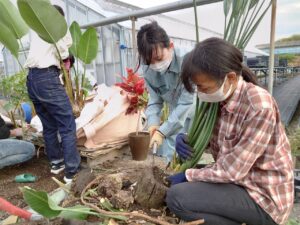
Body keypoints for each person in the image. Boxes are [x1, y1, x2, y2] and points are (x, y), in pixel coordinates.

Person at [166, 38, 294, 225]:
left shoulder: (258, 105)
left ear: (231, 78)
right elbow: (218, 141)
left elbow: (231, 171)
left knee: (177, 197)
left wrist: (187, 175)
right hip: (239, 182)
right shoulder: (220, 100)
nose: (200, 93)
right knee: (187, 191)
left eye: (203, 87)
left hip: (263, 195)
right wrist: (186, 139)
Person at [24, 5, 80, 183]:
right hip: (47, 77)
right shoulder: (58, 29)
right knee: (67, 124)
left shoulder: (38, 31)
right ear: (58, 19)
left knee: (49, 124)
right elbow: (64, 51)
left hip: (32, 79)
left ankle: (56, 163)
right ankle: (72, 171)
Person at [136, 21, 195, 161]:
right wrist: (154, 123)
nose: (155, 65)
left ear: (171, 46)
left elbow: (187, 103)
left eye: (158, 58)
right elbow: (155, 100)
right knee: (169, 154)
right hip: (175, 115)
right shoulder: (148, 68)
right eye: (150, 61)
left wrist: (163, 131)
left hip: (197, 111)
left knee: (190, 151)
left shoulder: (188, 60)